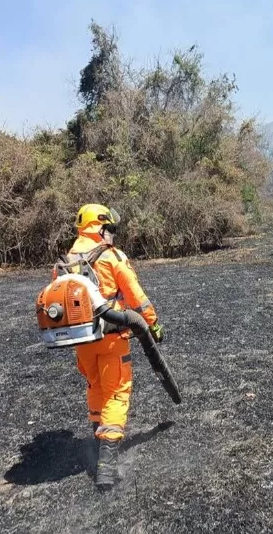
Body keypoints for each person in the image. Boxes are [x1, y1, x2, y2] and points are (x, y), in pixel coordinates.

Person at [65, 203, 163, 490]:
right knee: (117, 393)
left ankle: (97, 446)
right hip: (111, 339)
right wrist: (152, 323)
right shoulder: (111, 257)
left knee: (94, 387)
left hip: (83, 342)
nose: (113, 235)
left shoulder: (68, 259)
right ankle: (106, 467)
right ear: (101, 227)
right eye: (111, 229)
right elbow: (136, 295)